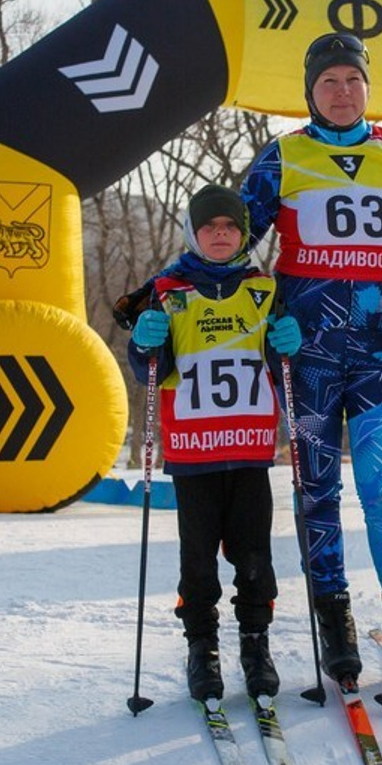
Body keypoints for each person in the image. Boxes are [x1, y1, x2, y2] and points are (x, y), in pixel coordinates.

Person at [241, 32, 382, 684]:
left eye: (352, 80)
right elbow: (228, 244)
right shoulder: (283, 156)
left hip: (376, 354)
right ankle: (333, 613)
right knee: (317, 489)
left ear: (368, 87)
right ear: (310, 93)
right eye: (327, 83)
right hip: (305, 355)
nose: (341, 93)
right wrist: (240, 313)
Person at [120, 184, 303, 704]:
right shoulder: (168, 290)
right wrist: (143, 343)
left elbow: (280, 360)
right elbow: (150, 371)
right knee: (197, 560)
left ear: (243, 233)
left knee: (254, 555)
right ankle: (202, 646)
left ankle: (254, 642)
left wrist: (290, 341)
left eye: (229, 227)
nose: (220, 235)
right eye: (209, 227)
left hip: (248, 448)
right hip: (193, 453)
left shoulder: (265, 289)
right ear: (193, 234)